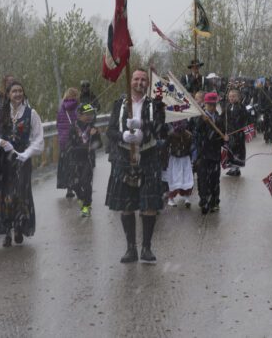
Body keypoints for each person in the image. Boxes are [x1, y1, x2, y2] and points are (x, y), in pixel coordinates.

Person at [105, 68, 166, 263]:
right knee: (127, 205)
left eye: (143, 80)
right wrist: (122, 135)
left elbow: (161, 128)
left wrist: (143, 127)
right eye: (136, 79)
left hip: (148, 157)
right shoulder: (120, 104)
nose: (140, 82)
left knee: (149, 206)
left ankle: (146, 248)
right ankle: (131, 248)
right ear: (130, 81)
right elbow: (110, 130)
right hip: (124, 158)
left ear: (148, 84)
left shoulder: (156, 105)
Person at [0, 81, 44, 247]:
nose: (18, 94)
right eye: (14, 91)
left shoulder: (31, 114)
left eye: (20, 91)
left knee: (20, 195)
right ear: (8, 94)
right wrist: (1, 142)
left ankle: (19, 226)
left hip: (21, 160)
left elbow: (38, 139)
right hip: (2, 161)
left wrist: (26, 153)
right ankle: (6, 230)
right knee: (4, 196)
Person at [66, 102, 102, 217]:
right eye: (86, 114)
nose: (89, 116)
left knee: (85, 182)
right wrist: (82, 147)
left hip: (88, 160)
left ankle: (87, 205)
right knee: (74, 184)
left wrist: (94, 141)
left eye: (91, 114)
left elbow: (100, 144)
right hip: (75, 160)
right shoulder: (73, 127)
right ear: (79, 115)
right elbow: (69, 145)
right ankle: (82, 197)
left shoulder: (93, 128)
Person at [195, 92, 228, 215]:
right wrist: (202, 122)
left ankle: (214, 201)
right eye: (209, 105)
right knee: (203, 179)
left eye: (214, 105)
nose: (212, 108)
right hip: (203, 154)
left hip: (215, 154)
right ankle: (204, 201)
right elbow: (196, 133)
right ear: (205, 104)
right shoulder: (200, 117)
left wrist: (225, 140)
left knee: (215, 180)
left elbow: (223, 134)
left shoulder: (219, 119)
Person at [163, 120, 193, 207]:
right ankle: (171, 198)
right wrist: (165, 160)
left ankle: (187, 197)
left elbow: (191, 147)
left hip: (185, 159)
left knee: (186, 178)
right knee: (174, 178)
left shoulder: (188, 135)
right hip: (175, 159)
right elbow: (165, 147)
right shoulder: (171, 135)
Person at [56, 87, 79, 199]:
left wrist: (62, 136)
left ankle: (68, 187)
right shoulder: (77, 107)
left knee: (66, 165)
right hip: (74, 140)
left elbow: (58, 125)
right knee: (76, 164)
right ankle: (76, 185)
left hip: (64, 140)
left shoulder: (61, 108)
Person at [223, 88, 251, 177]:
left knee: (237, 150)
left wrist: (238, 129)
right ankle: (232, 167)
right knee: (230, 150)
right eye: (230, 96)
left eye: (233, 96)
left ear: (238, 97)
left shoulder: (241, 107)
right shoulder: (227, 106)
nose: (231, 98)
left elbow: (244, 119)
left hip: (238, 133)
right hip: (230, 133)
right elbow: (224, 118)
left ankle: (236, 168)